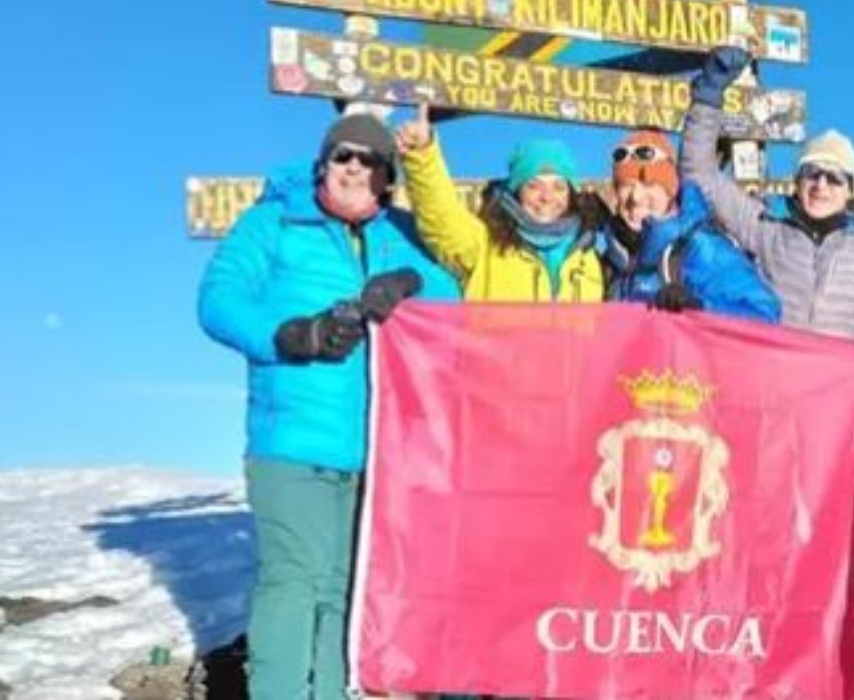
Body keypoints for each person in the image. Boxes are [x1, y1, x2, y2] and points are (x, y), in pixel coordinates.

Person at [198, 113, 461, 700]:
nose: (355, 169)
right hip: (291, 440)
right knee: (293, 583)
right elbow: (218, 301)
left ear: (386, 176)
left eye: (369, 161)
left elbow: (453, 292)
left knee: (344, 589)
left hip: (373, 450)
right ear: (324, 163)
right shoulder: (276, 221)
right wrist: (293, 335)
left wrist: (408, 282)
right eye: (344, 157)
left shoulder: (397, 232)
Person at [678, 46, 854, 367]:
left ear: (849, 190)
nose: (821, 186)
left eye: (835, 178)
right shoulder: (764, 230)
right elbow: (700, 175)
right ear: (797, 181)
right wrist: (708, 97)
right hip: (767, 384)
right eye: (812, 173)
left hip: (834, 395)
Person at [395, 104, 606, 302]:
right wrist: (422, 155)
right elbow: (442, 220)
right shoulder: (485, 247)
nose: (547, 197)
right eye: (534, 185)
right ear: (516, 191)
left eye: (559, 187)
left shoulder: (587, 258)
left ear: (571, 195)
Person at [601, 127, 780, 323]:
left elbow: (764, 312)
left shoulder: (701, 247)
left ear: (670, 191)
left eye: (648, 184)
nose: (635, 197)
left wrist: (700, 306)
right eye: (626, 186)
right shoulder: (612, 259)